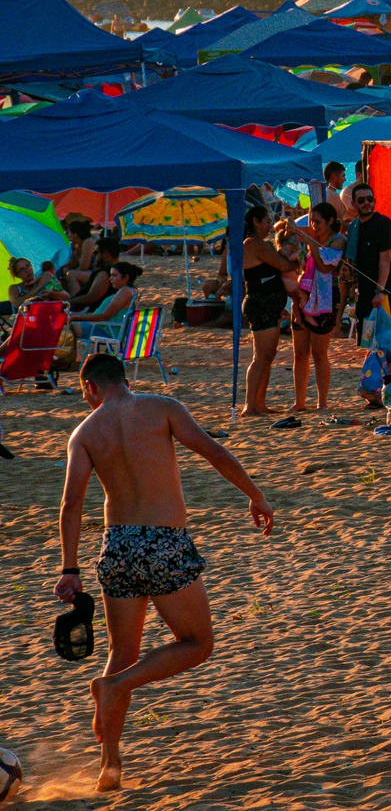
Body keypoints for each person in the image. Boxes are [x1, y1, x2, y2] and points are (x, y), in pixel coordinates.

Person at [55, 353, 275, 791]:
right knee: (196, 644)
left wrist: (70, 567)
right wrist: (256, 495)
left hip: (117, 546)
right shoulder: (162, 408)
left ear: (93, 387)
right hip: (164, 542)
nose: (85, 401)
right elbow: (213, 451)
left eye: (84, 394)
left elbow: (71, 504)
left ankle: (109, 766)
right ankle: (116, 686)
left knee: (123, 648)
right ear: (122, 380)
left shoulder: (84, 433)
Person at [236, 206, 298, 418]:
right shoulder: (253, 244)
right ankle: (250, 405)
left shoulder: (260, 244)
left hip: (267, 305)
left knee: (267, 356)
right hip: (260, 304)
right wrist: (295, 259)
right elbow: (282, 265)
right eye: (266, 221)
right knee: (261, 357)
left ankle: (259, 403)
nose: (269, 226)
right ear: (255, 221)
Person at [289, 202, 342, 412]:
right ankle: (299, 402)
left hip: (325, 301)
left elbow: (324, 266)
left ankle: (322, 401)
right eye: (312, 221)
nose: (314, 225)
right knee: (299, 353)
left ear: (330, 221)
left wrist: (310, 242)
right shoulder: (311, 239)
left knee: (320, 353)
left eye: (318, 222)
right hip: (304, 296)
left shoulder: (338, 240)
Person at [343, 181, 391, 336]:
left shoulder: (383, 223)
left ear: (375, 201)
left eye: (369, 199)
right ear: (354, 204)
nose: (366, 203)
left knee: (386, 338)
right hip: (364, 290)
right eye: (361, 200)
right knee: (366, 337)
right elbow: (352, 260)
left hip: (382, 291)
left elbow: (386, 259)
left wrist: (379, 290)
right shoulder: (355, 227)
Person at [73, 262, 143, 349]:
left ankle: (67, 360)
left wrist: (75, 317)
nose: (110, 279)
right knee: (67, 325)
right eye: (110, 275)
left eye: (114, 275)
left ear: (126, 277)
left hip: (106, 331)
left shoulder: (125, 292)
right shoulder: (131, 291)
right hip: (108, 328)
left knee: (66, 328)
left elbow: (104, 316)